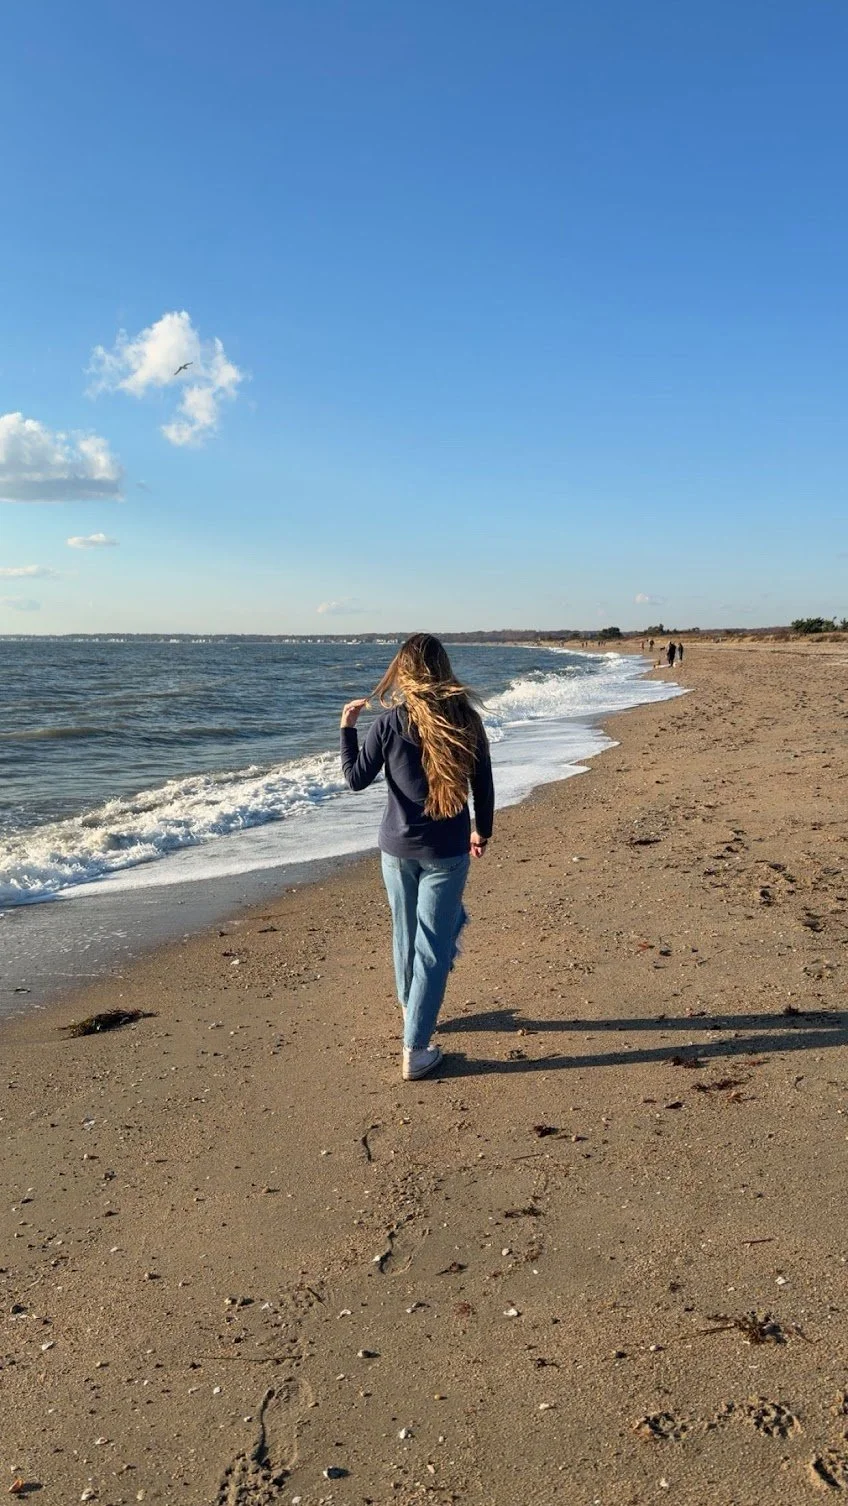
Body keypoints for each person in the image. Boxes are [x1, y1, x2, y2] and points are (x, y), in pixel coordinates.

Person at [340, 634, 494, 1081]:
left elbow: (355, 778)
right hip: (446, 849)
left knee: (408, 936)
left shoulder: (389, 723)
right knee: (432, 945)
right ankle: (416, 1046)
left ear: (403, 671)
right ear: (444, 669)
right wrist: (481, 829)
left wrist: (347, 729)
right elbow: (482, 785)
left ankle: (415, 1015)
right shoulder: (466, 719)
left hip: (398, 849)